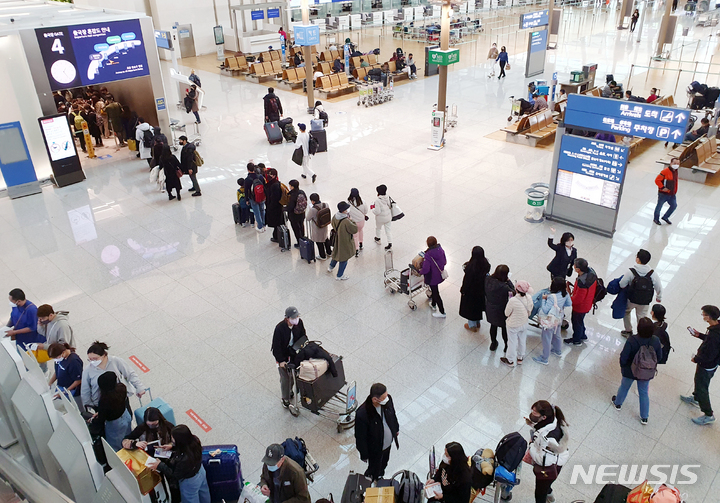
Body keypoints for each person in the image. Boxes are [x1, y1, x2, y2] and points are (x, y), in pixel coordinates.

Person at [611, 317, 663, 425]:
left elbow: (624, 356)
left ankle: (618, 403)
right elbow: (659, 356)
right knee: (643, 392)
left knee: (624, 387)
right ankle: (644, 417)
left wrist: (623, 366)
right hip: (645, 371)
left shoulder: (632, 340)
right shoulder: (655, 340)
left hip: (630, 370)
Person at [147, 425, 211, 503]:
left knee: (190, 499)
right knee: (204, 494)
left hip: (189, 481)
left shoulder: (184, 459)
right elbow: (183, 447)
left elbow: (175, 475)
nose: (171, 439)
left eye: (173, 438)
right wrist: (172, 446)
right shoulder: (194, 441)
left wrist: (159, 465)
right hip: (200, 471)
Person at [682, 305, 720, 425]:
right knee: (699, 382)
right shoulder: (716, 327)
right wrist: (700, 335)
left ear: (709, 316)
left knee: (702, 387)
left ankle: (708, 414)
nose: (702, 316)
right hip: (711, 364)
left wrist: (696, 359)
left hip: (707, 365)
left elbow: (710, 354)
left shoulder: (715, 335)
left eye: (703, 314)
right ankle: (696, 398)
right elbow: (709, 340)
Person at [525, 401, 569, 503]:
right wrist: (532, 425)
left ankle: (547, 497)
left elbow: (542, 461)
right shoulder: (553, 419)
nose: (532, 414)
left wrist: (531, 446)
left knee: (540, 493)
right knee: (546, 484)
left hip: (550, 464)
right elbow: (542, 428)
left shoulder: (549, 439)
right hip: (556, 461)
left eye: (535, 413)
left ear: (543, 417)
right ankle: (550, 497)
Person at [354, 383, 399, 481]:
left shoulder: (388, 400)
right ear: (375, 399)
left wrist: (395, 429)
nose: (387, 398)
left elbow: (393, 415)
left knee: (384, 462)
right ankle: (371, 478)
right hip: (375, 449)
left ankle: (379, 475)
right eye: (384, 397)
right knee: (374, 466)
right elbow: (360, 437)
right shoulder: (362, 414)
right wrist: (364, 454)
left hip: (387, 445)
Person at [81, 341, 145, 409]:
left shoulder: (115, 361)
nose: (92, 362)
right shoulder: (88, 370)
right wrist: (89, 405)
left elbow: (130, 373)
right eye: (90, 359)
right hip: (101, 404)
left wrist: (139, 387)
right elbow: (85, 390)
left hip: (120, 399)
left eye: (95, 359)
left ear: (104, 355)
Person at [618, 249, 663, 337]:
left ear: (638, 259)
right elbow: (659, 287)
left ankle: (628, 330)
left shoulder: (631, 271)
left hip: (631, 299)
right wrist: (659, 297)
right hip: (645, 301)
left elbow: (622, 284)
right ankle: (640, 334)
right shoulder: (652, 273)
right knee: (641, 317)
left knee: (626, 312)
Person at [272, 307, 306, 408]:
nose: (296, 319)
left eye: (297, 316)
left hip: (294, 352)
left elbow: (303, 336)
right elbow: (276, 347)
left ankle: (293, 390)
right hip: (283, 355)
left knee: (296, 374)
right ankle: (285, 398)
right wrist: (281, 361)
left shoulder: (299, 323)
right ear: (287, 318)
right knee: (285, 377)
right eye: (293, 317)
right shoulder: (279, 328)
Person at [534, 277, 573, 365]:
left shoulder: (551, 297)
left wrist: (544, 299)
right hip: (559, 318)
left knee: (546, 339)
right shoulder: (565, 293)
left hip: (550, 320)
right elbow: (569, 304)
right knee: (557, 335)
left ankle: (544, 358)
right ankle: (557, 351)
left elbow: (545, 310)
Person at [90, 371, 133, 451]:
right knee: (128, 438)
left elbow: (102, 418)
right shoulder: (122, 388)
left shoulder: (105, 400)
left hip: (115, 425)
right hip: (126, 415)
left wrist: (94, 421)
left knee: (117, 446)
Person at [564, 258, 598, 346]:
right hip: (588, 303)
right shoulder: (591, 273)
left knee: (576, 322)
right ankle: (583, 335)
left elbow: (578, 299)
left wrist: (568, 299)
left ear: (578, 269)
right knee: (580, 320)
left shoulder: (582, 282)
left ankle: (576, 340)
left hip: (580, 307)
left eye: (574, 266)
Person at [501, 281, 533, 367]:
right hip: (524, 323)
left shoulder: (512, 300)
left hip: (513, 325)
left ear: (517, 290)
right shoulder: (529, 298)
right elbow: (529, 311)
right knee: (522, 340)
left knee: (512, 342)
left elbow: (506, 313)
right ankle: (520, 358)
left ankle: (510, 360)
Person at [459, 246, 491, 332]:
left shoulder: (470, 267)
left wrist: (463, 290)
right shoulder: (486, 264)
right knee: (478, 307)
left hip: (471, 292)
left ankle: (472, 326)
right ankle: (478, 322)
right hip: (481, 291)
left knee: (470, 308)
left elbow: (467, 281)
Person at [485, 265, 515, 352]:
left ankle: (493, 343)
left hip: (490, 308)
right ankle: (506, 345)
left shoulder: (487, 280)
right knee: (504, 328)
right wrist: (509, 281)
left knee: (493, 326)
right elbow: (513, 293)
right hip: (502, 310)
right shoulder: (504, 287)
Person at [418, 236, 448, 318]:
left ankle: (442, 312)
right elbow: (445, 261)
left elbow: (426, 269)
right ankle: (433, 305)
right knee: (435, 289)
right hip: (439, 274)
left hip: (432, 277)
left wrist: (420, 272)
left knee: (436, 293)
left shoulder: (428, 255)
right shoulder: (441, 250)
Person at [327, 202, 358, 280]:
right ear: (344, 210)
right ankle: (339, 275)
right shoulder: (346, 221)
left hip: (337, 239)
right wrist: (352, 221)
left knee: (336, 253)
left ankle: (330, 267)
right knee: (344, 258)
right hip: (344, 241)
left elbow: (333, 225)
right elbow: (354, 229)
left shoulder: (335, 216)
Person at [47, 342, 83, 407]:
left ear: (63, 353)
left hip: (72, 390)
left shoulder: (74, 361)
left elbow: (78, 380)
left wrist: (64, 392)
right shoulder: (59, 359)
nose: (56, 360)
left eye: (57, 357)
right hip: (62, 387)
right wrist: (49, 383)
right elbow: (57, 371)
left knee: (76, 407)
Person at [306, 193, 332, 260]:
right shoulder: (325, 204)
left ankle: (322, 256)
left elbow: (308, 218)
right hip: (325, 225)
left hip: (317, 227)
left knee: (319, 241)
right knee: (325, 238)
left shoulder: (313, 209)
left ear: (313, 201)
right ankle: (329, 252)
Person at [653, 157, 679, 225]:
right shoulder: (665, 171)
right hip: (663, 194)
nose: (676, 165)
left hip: (672, 193)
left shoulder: (676, 171)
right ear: (671, 163)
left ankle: (665, 217)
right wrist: (662, 187)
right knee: (659, 206)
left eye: (678, 163)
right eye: (674, 163)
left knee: (674, 205)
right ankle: (656, 219)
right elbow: (657, 180)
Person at [264, 168, 285, 245]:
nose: (268, 176)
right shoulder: (272, 183)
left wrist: (270, 207)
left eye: (270, 175)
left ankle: (277, 237)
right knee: (278, 222)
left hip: (275, 208)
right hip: (274, 206)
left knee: (277, 223)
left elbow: (274, 199)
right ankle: (277, 236)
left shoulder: (274, 186)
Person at [244, 164, 267, 232]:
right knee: (262, 210)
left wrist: (247, 199)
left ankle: (260, 227)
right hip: (262, 196)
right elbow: (264, 186)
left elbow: (246, 190)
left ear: (248, 170)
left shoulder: (247, 179)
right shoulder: (260, 176)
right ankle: (263, 225)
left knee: (257, 212)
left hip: (253, 198)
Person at [347, 188, 368, 256]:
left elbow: (347, 213)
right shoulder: (362, 202)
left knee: (355, 235)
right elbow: (366, 211)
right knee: (361, 230)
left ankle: (356, 249)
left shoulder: (349, 203)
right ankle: (361, 243)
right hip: (361, 220)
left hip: (354, 222)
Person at [371, 184, 393, 250]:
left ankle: (378, 238)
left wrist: (372, 209)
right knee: (388, 230)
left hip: (380, 218)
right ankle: (390, 243)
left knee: (378, 228)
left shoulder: (377, 201)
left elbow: (377, 212)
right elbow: (390, 205)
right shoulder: (388, 197)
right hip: (388, 217)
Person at [286, 180, 306, 248]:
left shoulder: (293, 195)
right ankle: (303, 239)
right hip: (302, 213)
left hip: (294, 215)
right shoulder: (302, 192)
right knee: (301, 226)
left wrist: (285, 209)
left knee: (296, 229)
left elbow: (291, 207)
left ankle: (299, 242)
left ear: (292, 187)